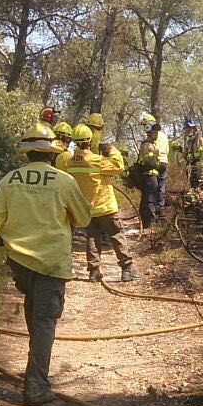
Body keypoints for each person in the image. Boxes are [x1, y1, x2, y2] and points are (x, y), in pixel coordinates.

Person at [0, 123, 92, 406]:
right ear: (52, 154)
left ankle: (35, 371)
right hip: (51, 264)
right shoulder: (64, 182)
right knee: (45, 321)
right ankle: (35, 387)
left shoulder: (9, 181)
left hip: (19, 263)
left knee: (35, 309)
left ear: (26, 154)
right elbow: (83, 219)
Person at [58, 119, 137, 283]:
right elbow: (118, 167)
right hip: (106, 207)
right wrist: (112, 150)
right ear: (89, 140)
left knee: (92, 238)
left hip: (87, 210)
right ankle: (127, 270)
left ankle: (94, 271)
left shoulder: (71, 161)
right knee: (116, 235)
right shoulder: (95, 160)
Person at [135, 112, 169, 228]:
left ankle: (151, 219)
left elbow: (148, 158)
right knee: (159, 191)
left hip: (153, 167)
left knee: (150, 194)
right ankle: (158, 214)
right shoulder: (164, 135)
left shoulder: (147, 142)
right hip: (162, 164)